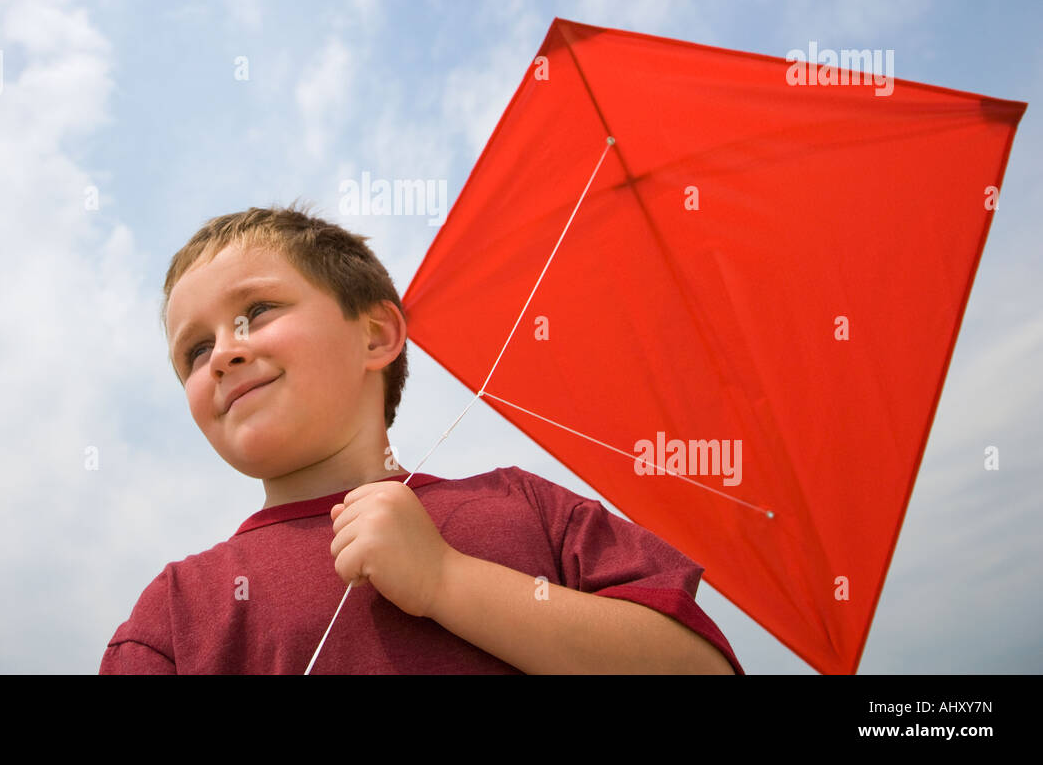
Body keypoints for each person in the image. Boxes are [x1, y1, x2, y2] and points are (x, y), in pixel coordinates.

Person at [98, 203, 742, 674]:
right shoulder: (175, 612)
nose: (223, 355)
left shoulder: (529, 507)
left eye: (257, 313)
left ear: (376, 336)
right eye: (195, 350)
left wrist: (445, 581)